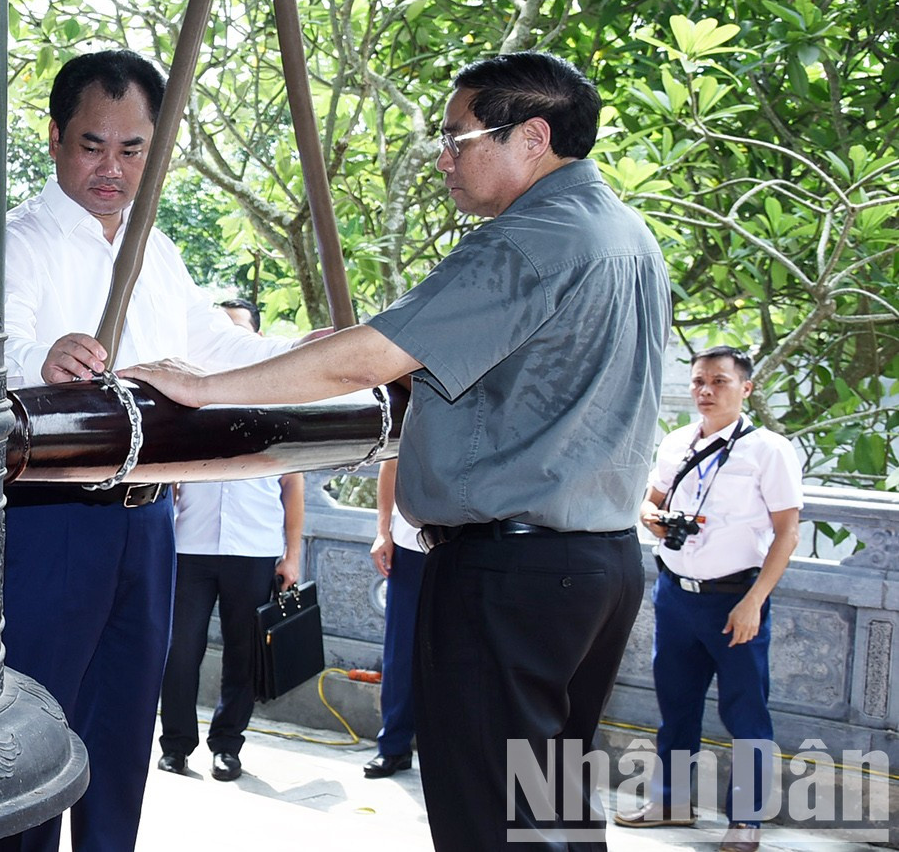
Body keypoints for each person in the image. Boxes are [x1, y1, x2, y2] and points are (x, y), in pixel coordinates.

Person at [125, 51, 671, 852]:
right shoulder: (624, 233)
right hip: (598, 565)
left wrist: (206, 386)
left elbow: (367, 359)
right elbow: (513, 382)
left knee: (487, 818)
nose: (445, 157)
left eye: (459, 137)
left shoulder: (527, 241)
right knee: (550, 810)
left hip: (510, 577)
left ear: (532, 136)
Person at [0, 49, 291, 852]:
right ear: (53, 138)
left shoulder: (155, 251)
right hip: (52, 522)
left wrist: (317, 353)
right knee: (34, 734)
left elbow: (213, 348)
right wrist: (40, 363)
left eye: (132, 150)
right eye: (92, 145)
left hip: (151, 519)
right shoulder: (15, 241)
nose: (112, 169)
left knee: (122, 739)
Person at [614, 346, 801, 852]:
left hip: (736, 599)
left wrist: (755, 601)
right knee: (676, 707)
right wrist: (650, 518)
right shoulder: (676, 442)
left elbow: (787, 533)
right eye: (699, 381)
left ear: (746, 388)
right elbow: (650, 500)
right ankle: (670, 801)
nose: (706, 391)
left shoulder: (770, 450)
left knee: (745, 713)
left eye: (719, 381)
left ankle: (746, 821)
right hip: (676, 594)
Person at [156, 471, 303, 781]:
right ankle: (176, 745)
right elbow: (169, 476)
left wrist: (292, 555)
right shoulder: (189, 419)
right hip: (191, 542)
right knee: (179, 650)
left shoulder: (277, 419)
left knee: (244, 653)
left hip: (254, 546)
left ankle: (227, 745)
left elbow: (292, 481)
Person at [365, 456, 423, 779]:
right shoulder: (413, 405)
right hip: (409, 543)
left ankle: (447, 753)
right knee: (400, 653)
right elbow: (390, 465)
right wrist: (382, 531)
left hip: (461, 545)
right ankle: (394, 747)